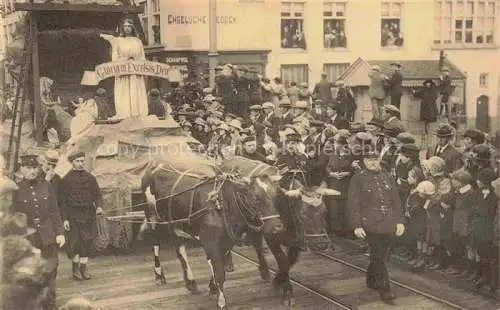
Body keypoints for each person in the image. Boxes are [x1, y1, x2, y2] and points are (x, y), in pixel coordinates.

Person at [347, 140, 405, 303]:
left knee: (380, 255)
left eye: (375, 159)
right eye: (369, 159)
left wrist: (400, 221)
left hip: (388, 223)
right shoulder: (358, 179)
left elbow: (396, 201)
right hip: (370, 224)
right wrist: (356, 225)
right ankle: (385, 289)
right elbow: (353, 203)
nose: (373, 162)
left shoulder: (387, 177)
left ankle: (371, 279)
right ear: (364, 161)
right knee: (379, 256)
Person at [11, 154, 66, 309]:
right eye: (28, 168)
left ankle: (50, 304)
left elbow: (54, 211)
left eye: (35, 167)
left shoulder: (46, 186)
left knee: (51, 271)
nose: (32, 171)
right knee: (31, 274)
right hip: (29, 240)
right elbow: (13, 216)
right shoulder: (16, 189)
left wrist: (60, 232)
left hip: (48, 237)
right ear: (21, 169)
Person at [59, 151, 103, 281]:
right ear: (72, 162)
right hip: (73, 215)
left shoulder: (90, 178)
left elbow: (97, 195)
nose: (80, 164)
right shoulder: (66, 179)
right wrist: (65, 219)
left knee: (87, 241)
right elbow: (62, 202)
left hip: (88, 214)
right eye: (78, 161)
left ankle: (84, 267)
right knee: (75, 242)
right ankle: (75, 268)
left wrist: (99, 206)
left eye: (82, 161)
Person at [100, 18, 148, 119]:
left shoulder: (137, 41)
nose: (127, 29)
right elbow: (115, 56)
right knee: (124, 92)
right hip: (123, 70)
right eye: (125, 26)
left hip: (135, 71)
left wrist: (138, 62)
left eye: (129, 26)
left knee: (135, 90)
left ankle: (137, 113)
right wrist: (124, 60)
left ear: (132, 28)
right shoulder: (119, 41)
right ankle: (125, 113)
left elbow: (142, 56)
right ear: (123, 28)